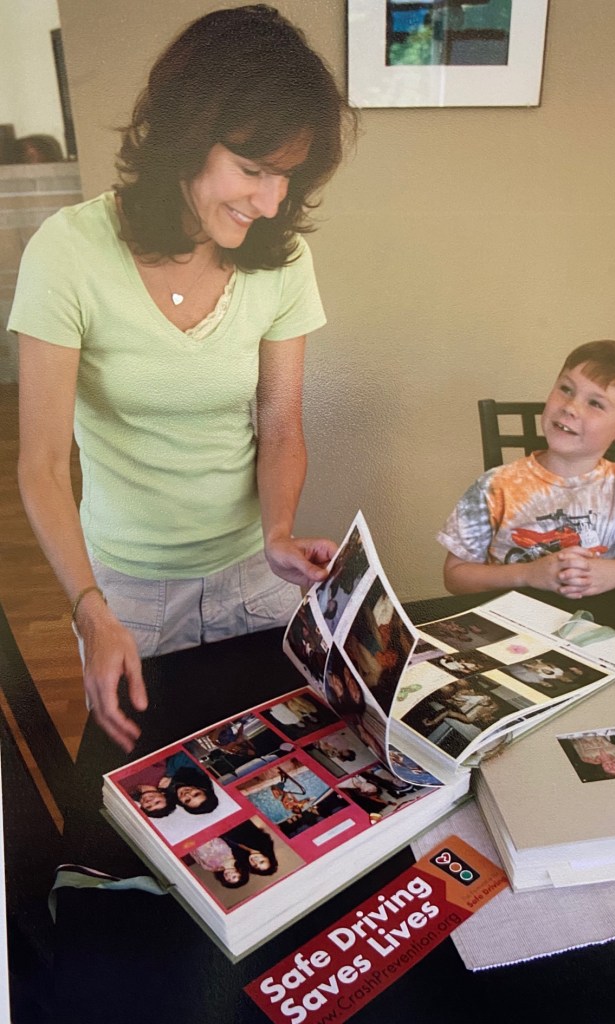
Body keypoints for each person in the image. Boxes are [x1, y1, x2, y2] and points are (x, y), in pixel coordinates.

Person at [10, 6, 356, 753]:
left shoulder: (283, 259)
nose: (269, 202)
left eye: (286, 178)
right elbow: (39, 466)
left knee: (280, 776)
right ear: (185, 136)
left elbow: (283, 426)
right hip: (124, 593)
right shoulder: (67, 253)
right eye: (252, 170)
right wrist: (90, 612)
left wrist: (278, 534)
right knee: (155, 788)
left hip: (254, 576)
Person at [438, 341, 615, 598]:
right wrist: (527, 574)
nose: (570, 407)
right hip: (511, 624)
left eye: (595, 403)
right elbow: (455, 576)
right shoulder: (494, 486)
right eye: (565, 389)